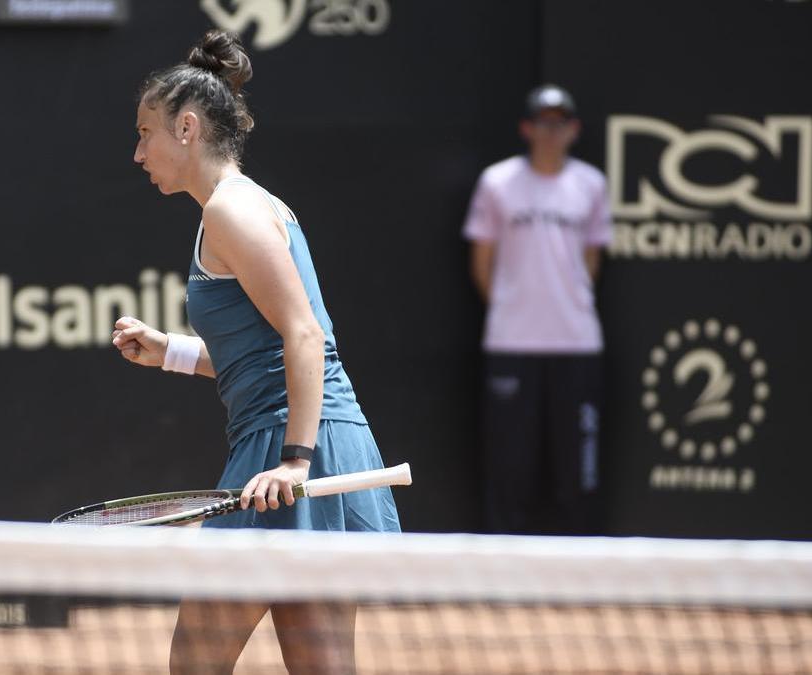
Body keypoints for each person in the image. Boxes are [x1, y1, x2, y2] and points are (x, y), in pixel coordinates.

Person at [111, 29, 400, 674]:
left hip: (294, 446)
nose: (138, 152)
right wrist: (173, 353)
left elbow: (305, 336)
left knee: (194, 663)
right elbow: (266, 354)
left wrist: (295, 462)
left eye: (145, 133)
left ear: (186, 128)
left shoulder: (230, 212)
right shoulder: (246, 207)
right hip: (308, 436)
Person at [463, 84, 612, 535]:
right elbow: (482, 264)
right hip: (512, 343)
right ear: (527, 129)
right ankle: (504, 576)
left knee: (576, 467)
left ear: (574, 129)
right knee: (511, 464)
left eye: (560, 123)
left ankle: (581, 576)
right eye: (543, 123)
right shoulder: (497, 182)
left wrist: (565, 301)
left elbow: (591, 260)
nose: (552, 132)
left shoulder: (591, 184)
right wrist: (514, 308)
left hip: (577, 344)